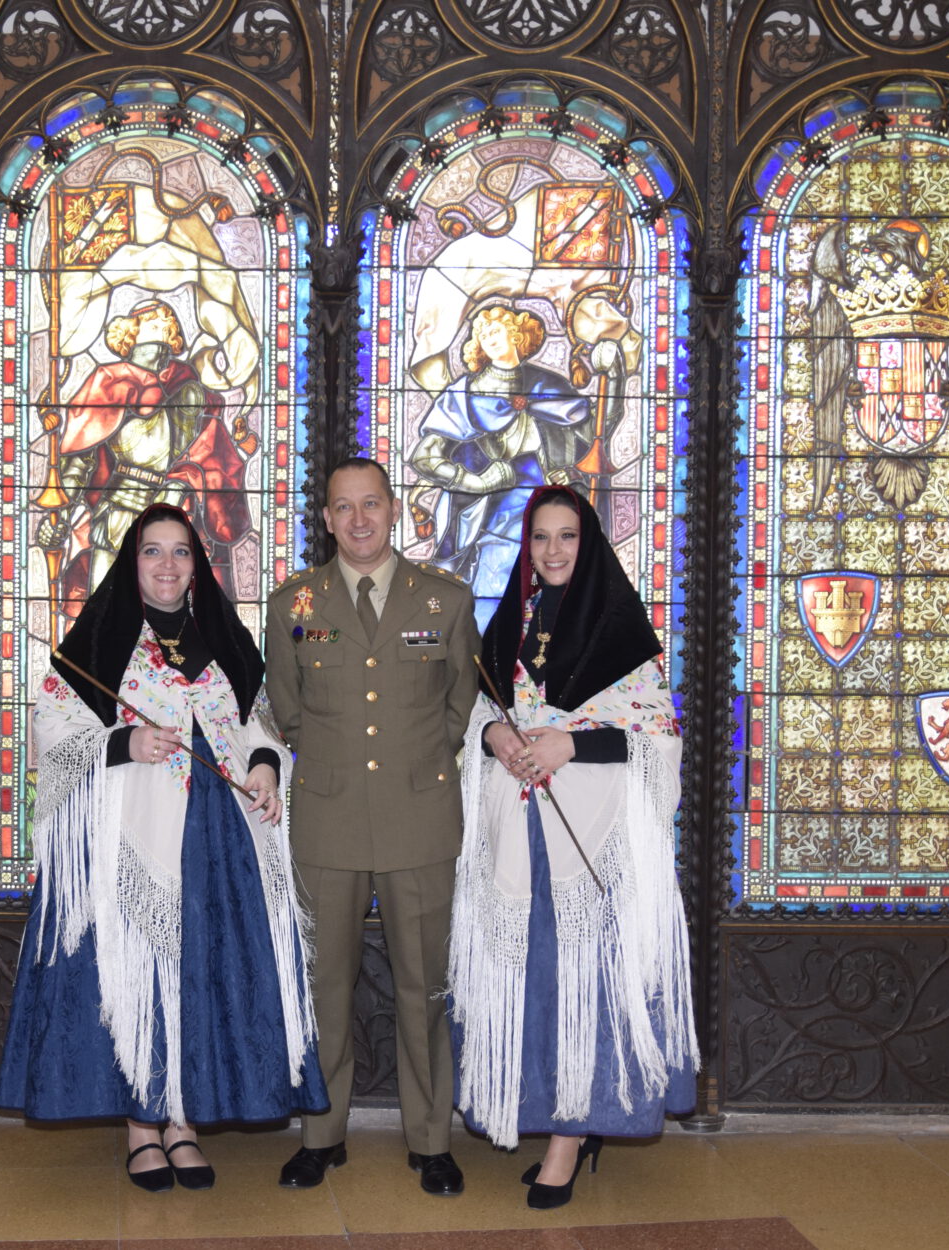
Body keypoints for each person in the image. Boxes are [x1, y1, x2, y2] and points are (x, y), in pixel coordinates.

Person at [0, 503, 327, 1192]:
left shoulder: (225, 641)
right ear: (133, 560)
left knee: (199, 976)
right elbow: (51, 735)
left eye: (181, 552)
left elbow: (257, 722)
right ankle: (142, 1130)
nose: (169, 565)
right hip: (131, 840)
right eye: (154, 551)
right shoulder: (96, 643)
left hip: (219, 841)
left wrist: (265, 763)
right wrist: (123, 742)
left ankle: (184, 1123)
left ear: (197, 566)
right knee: (139, 974)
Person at [449, 485, 697, 1209]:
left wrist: (570, 743)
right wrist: (496, 735)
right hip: (517, 832)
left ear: (588, 546)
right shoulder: (506, 628)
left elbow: (656, 742)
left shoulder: (621, 632)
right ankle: (547, 1115)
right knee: (533, 983)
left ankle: (570, 1134)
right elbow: (483, 713)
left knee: (583, 984)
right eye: (540, 539)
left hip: (594, 838)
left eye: (567, 537)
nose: (553, 551)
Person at [264, 457, 480, 1196]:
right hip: (327, 817)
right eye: (342, 508)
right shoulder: (292, 602)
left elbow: (459, 707)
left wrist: (415, 760)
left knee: (426, 987)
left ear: (395, 511)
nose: (358, 520)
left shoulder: (444, 601)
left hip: (420, 815)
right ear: (325, 519)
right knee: (327, 982)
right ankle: (322, 1135)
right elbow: (289, 711)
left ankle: (430, 1139)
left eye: (371, 505)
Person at [38, 300, 253, 612]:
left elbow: (207, 455)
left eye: (167, 324)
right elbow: (80, 459)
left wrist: (177, 491)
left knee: (177, 628)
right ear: (129, 332)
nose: (163, 327)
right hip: (119, 514)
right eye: (152, 322)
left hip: (176, 523)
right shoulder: (108, 381)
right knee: (106, 618)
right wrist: (58, 516)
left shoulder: (189, 391)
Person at [408, 305, 593, 604]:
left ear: (517, 334)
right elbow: (424, 457)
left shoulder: (549, 388)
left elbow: (592, 438)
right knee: (489, 585)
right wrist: (478, 483)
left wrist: (617, 375)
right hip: (478, 506)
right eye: (481, 334)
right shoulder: (463, 392)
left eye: (496, 330)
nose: (488, 338)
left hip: (541, 504)